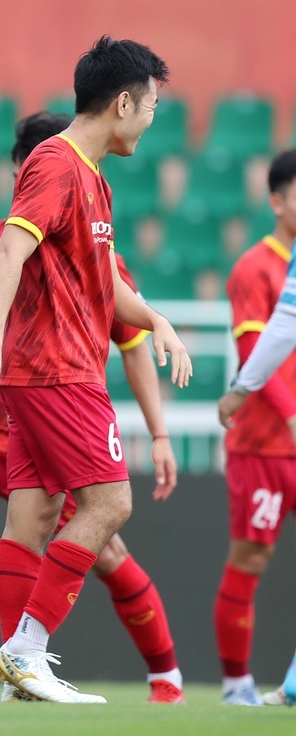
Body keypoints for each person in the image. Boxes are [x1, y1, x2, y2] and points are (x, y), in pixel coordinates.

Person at [0, 36, 191, 703]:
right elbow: (9, 252)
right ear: (124, 102)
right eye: (150, 108)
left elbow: (104, 283)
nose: (150, 122)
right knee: (110, 502)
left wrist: (157, 320)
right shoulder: (57, 163)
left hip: (46, 370)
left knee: (31, 518)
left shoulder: (91, 177)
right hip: (58, 369)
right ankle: (27, 650)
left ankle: (17, 680)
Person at [214, 148, 296, 706]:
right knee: (251, 559)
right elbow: (257, 351)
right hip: (265, 444)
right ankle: (236, 682)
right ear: (276, 200)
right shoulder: (255, 267)